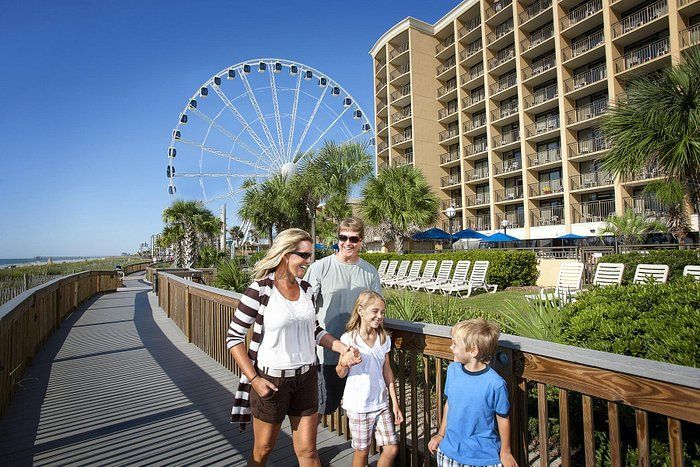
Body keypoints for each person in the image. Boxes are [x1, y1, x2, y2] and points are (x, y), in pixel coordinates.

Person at [226, 228, 361, 467]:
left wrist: (341, 348)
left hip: (307, 378)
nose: (309, 262)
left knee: (308, 451)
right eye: (304, 255)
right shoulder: (260, 290)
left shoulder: (306, 289)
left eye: (311, 256)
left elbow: (315, 330)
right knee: (263, 449)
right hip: (271, 382)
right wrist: (255, 379)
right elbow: (234, 337)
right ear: (286, 254)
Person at [305, 217, 382, 415]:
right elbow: (304, 308)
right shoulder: (319, 268)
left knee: (359, 409)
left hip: (360, 356)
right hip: (327, 354)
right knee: (321, 409)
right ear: (338, 238)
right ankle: (310, 447)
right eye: (343, 237)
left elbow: (377, 311)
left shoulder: (370, 272)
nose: (348, 243)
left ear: (361, 241)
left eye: (354, 239)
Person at [428, 318, 517, 467]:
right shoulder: (453, 370)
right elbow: (449, 404)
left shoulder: (496, 384)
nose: (451, 347)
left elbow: (503, 418)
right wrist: (440, 435)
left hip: (482, 457)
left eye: (455, 344)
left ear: (473, 350)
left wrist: (505, 452)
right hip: (449, 452)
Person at [336, 291, 402, 467]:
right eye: (375, 311)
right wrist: (344, 363)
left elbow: (387, 371)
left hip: (381, 403)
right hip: (358, 405)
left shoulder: (384, 339)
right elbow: (340, 373)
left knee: (391, 448)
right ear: (360, 310)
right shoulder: (348, 339)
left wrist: (394, 403)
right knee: (362, 452)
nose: (379, 316)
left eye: (382, 312)